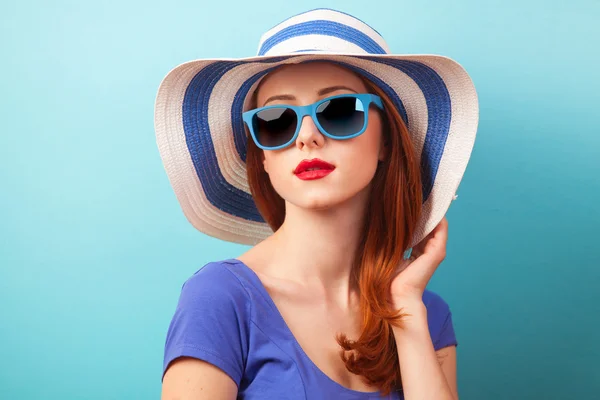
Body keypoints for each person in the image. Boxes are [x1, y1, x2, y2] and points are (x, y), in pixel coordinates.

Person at [154, 7, 478, 400]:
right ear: (261, 158)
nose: (307, 136)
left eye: (339, 111)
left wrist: (406, 310)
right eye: (277, 120)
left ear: (386, 140)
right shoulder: (220, 298)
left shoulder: (426, 312)